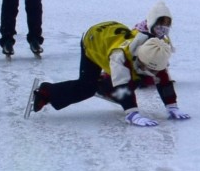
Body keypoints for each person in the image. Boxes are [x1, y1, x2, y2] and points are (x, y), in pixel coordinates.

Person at [27, 14, 189, 126]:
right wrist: (132, 113)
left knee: (141, 79)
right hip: (94, 40)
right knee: (87, 87)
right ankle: (46, 92)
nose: (153, 72)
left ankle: (104, 84)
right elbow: (123, 86)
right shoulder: (121, 57)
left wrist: (171, 106)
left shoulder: (155, 52)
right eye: (149, 68)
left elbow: (163, 79)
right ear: (141, 59)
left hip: (112, 33)